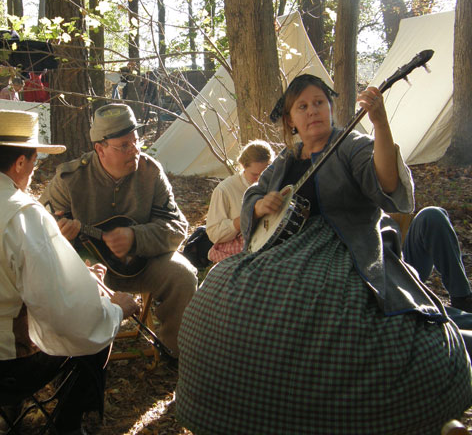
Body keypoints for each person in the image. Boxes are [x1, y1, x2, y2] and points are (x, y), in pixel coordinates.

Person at [176, 74, 472, 434]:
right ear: (291, 120)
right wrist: (258, 206)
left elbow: (388, 182)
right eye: (302, 106)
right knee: (222, 286)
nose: (312, 110)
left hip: (350, 252)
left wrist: (380, 123)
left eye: (319, 102)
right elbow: (253, 197)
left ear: (331, 108)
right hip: (285, 257)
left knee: (340, 314)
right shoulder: (285, 161)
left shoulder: (352, 146)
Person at [0, 109, 139, 435]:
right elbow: (70, 315)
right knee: (95, 330)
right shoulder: (21, 212)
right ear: (20, 163)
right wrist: (114, 309)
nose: (35, 170)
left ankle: (0, 416)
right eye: (34, 161)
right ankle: (67, 426)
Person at [40, 103, 198, 357]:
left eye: (136, 141)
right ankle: (79, 357)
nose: (134, 150)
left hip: (143, 264)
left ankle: (175, 354)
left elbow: (178, 227)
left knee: (182, 275)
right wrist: (60, 237)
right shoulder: (69, 179)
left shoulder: (151, 173)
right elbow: (39, 231)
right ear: (100, 149)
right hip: (88, 272)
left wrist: (137, 237)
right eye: (123, 145)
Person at [205, 140, 274, 263]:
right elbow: (214, 233)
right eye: (254, 175)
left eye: (264, 175)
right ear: (243, 166)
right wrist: (244, 219)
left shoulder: (274, 183)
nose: (259, 180)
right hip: (241, 250)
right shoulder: (225, 190)